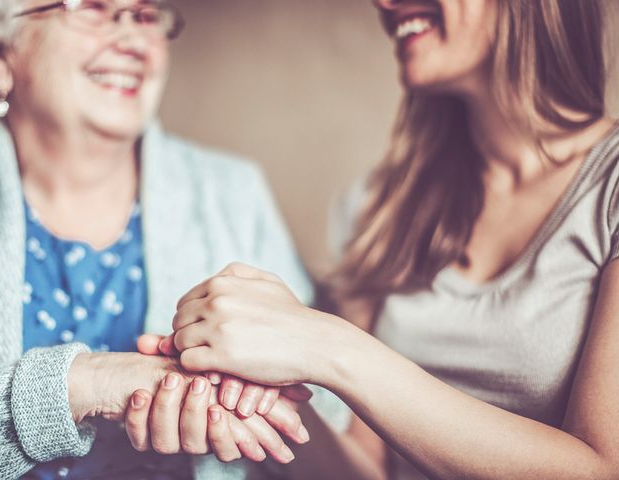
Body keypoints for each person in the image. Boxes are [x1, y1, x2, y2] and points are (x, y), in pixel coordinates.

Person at [164, 0, 619, 478]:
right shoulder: (379, 206)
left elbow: (603, 468)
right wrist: (267, 401)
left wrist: (326, 346)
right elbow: (366, 472)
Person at [0, 0, 348, 478]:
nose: (134, 41)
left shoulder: (234, 192)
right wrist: (92, 383)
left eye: (144, 15)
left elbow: (322, 430)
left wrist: (264, 394)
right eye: (93, 8)